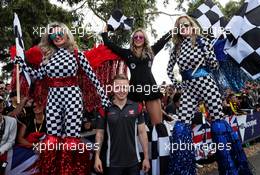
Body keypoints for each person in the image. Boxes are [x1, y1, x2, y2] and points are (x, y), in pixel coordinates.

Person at [14, 22, 110, 174]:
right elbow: (38, 75)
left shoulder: (77, 54)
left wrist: (104, 98)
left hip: (72, 97)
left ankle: (72, 171)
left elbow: (93, 77)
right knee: (52, 138)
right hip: (53, 98)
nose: (57, 36)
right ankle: (51, 170)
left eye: (60, 32)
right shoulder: (48, 57)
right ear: (50, 38)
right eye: (53, 34)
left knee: (72, 139)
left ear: (66, 35)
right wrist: (23, 64)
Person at [166, 15, 252, 175]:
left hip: (207, 84)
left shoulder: (202, 41)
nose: (183, 27)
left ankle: (231, 168)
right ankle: (183, 170)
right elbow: (169, 70)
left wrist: (209, 53)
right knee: (181, 126)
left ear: (192, 25)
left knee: (218, 124)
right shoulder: (176, 48)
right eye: (179, 26)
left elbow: (213, 65)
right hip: (188, 90)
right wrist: (178, 85)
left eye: (185, 24)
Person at [102, 27, 171, 174]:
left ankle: (161, 165)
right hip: (134, 91)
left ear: (144, 39)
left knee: (158, 126)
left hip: (150, 89)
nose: (138, 39)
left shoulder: (151, 51)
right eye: (135, 37)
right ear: (132, 39)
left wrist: (175, 29)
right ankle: (134, 162)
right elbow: (109, 44)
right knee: (130, 126)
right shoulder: (127, 53)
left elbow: (164, 40)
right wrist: (105, 32)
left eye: (141, 37)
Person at [94, 74, 150, 175]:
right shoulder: (104, 108)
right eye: (118, 87)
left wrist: (146, 157)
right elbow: (99, 135)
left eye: (124, 87)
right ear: (113, 88)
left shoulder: (137, 107)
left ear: (128, 88)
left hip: (133, 162)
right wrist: (97, 157)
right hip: (112, 163)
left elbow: (142, 133)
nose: (121, 90)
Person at [0, 95, 17, 174]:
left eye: (0, 103)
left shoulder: (12, 121)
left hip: (3, 155)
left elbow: (11, 141)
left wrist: (1, 151)